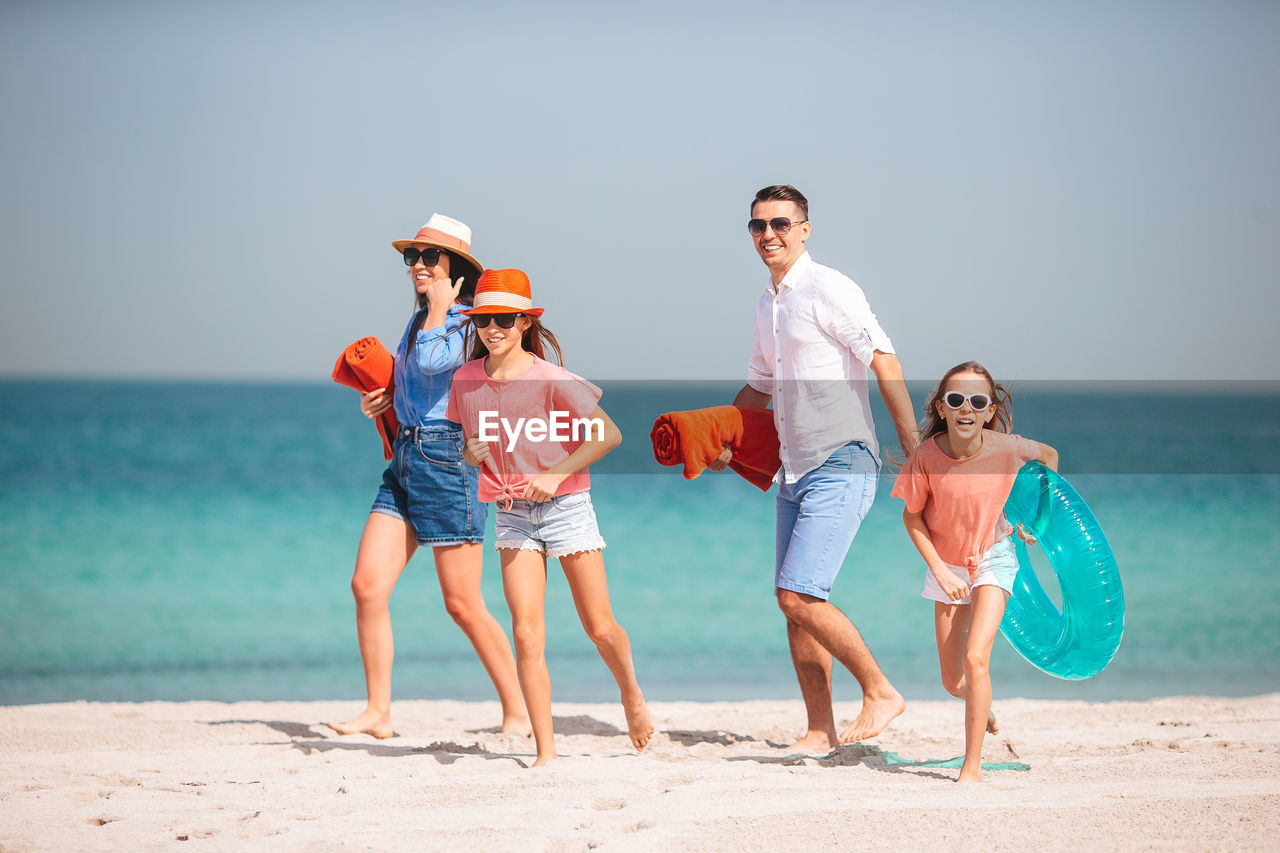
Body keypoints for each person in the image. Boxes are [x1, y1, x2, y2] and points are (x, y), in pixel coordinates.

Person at [713, 185, 919, 752]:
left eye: (780, 223)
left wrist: (910, 441)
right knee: (793, 601)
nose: (768, 235)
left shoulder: (829, 288)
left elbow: (882, 354)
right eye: (757, 226)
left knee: (799, 595)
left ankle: (880, 690)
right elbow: (759, 385)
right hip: (793, 467)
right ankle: (819, 729)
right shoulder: (767, 303)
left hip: (844, 457)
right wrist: (717, 435)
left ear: (805, 228)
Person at [327, 215, 528, 739]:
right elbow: (411, 375)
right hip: (406, 458)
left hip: (448, 463)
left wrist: (440, 307)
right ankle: (378, 711)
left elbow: (440, 361)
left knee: (462, 603)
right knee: (367, 585)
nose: (416, 266)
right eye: (410, 257)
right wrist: (384, 398)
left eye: (428, 257)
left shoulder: (467, 324)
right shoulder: (421, 320)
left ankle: (518, 708)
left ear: (454, 267)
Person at [446, 268, 653, 767]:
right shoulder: (465, 380)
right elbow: (466, 445)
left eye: (502, 319)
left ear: (523, 322)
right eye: (482, 320)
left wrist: (556, 474)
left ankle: (630, 693)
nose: (491, 329)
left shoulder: (554, 380)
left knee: (599, 627)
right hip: (511, 513)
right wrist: (470, 454)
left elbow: (608, 436)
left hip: (566, 508)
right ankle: (546, 751)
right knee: (525, 632)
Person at [893, 362, 1057, 782]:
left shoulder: (1007, 447)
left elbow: (1050, 457)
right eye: (956, 399)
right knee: (953, 681)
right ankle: (979, 703)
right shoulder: (926, 457)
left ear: (988, 411)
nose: (967, 407)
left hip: (993, 554)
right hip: (945, 562)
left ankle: (972, 767)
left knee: (975, 656)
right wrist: (940, 571)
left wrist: (1036, 519)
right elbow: (913, 520)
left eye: (978, 401)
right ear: (942, 408)